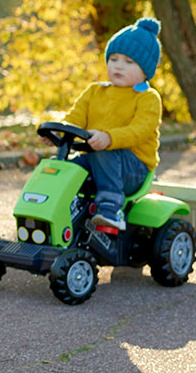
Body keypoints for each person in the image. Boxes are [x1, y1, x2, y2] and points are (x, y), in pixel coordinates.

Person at [60, 17, 163, 231]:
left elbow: (140, 131)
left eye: (129, 62)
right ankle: (57, 212)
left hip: (134, 169)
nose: (119, 66)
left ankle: (111, 208)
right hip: (96, 158)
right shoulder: (95, 92)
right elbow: (74, 118)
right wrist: (59, 132)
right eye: (114, 59)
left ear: (145, 71)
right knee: (63, 168)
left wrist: (109, 138)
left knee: (103, 152)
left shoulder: (147, 98)